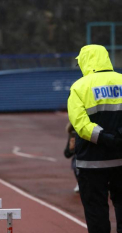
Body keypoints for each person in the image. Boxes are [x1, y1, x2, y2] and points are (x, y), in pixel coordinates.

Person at [68, 44, 122, 233]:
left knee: (96, 213)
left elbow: (81, 125)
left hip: (92, 163)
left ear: (85, 61)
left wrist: (105, 138)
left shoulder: (79, 87)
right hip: (121, 160)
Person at [63, 122, 79, 193]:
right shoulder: (73, 132)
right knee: (75, 161)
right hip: (81, 157)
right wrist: (71, 148)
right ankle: (80, 181)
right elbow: (67, 154)